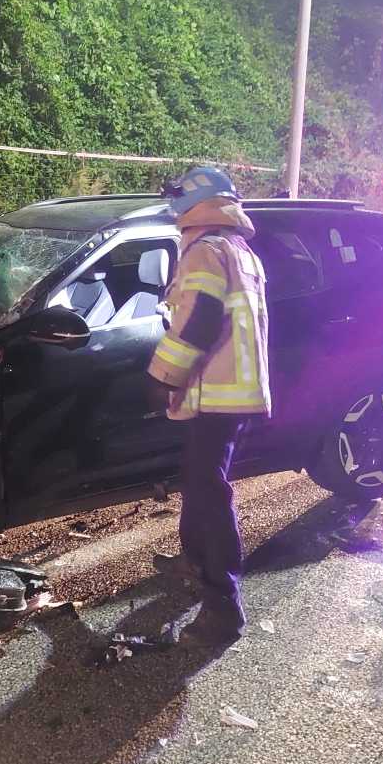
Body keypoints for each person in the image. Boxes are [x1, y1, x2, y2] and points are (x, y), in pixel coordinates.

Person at [147, 166, 271, 645]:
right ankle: (195, 560)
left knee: (210, 491)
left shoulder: (205, 250)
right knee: (199, 479)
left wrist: (161, 376)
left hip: (217, 393)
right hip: (234, 392)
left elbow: (198, 321)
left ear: (193, 202)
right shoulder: (238, 250)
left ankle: (224, 608)